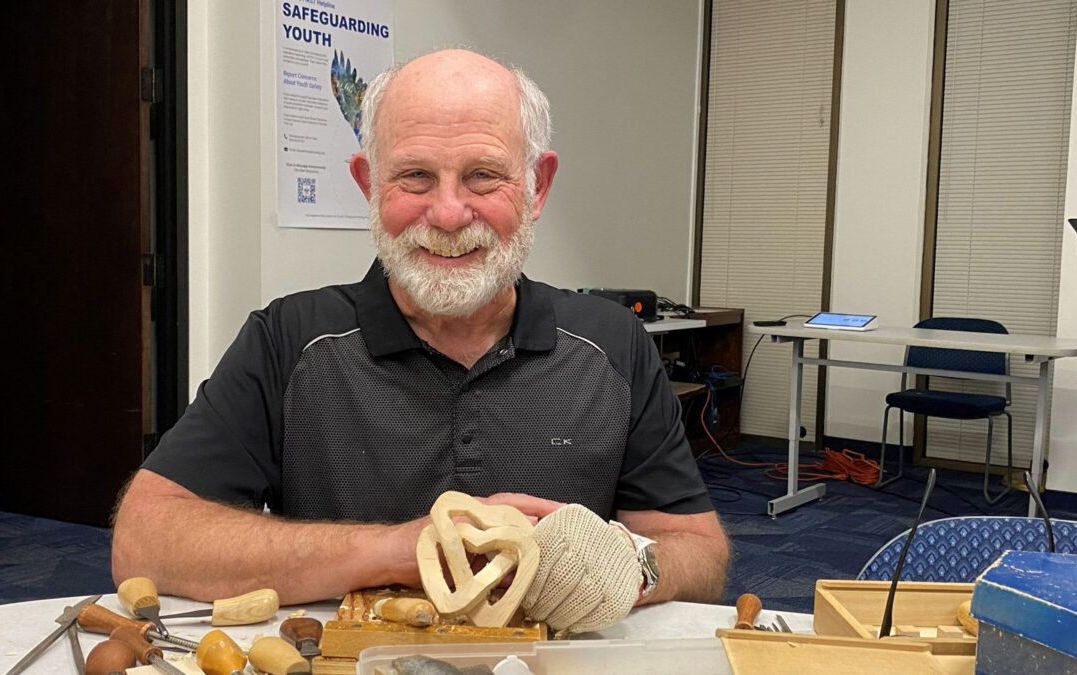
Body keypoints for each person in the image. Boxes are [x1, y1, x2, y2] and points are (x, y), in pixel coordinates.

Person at [112, 49, 728, 625]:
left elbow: (701, 554)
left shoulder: (613, 343)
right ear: (368, 185)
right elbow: (146, 538)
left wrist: (631, 566)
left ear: (538, 187)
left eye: (484, 176)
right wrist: (399, 549)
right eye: (414, 177)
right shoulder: (288, 339)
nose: (449, 214)